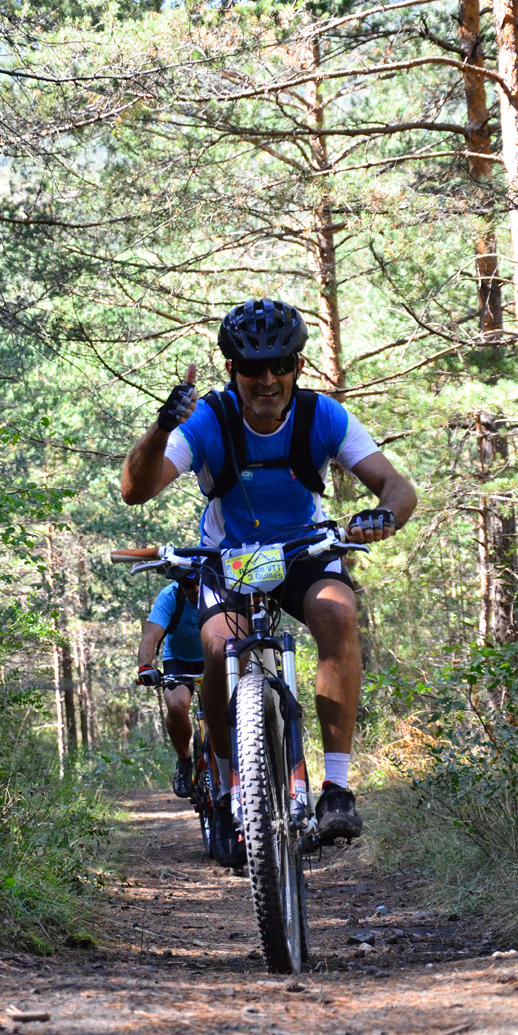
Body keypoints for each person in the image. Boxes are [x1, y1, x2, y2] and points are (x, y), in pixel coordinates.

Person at [121, 298, 417, 867]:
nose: (267, 379)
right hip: (228, 556)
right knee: (216, 647)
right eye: (252, 367)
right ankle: (237, 789)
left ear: (298, 367)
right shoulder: (209, 417)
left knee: (337, 611)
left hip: (303, 550)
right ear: (230, 369)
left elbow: (398, 488)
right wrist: (163, 426)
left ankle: (335, 789)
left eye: (280, 364)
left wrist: (386, 516)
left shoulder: (321, 416)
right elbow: (137, 489)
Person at [136, 571, 204, 799]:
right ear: (179, 585)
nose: (195, 590)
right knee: (176, 707)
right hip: (179, 660)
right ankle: (185, 761)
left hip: (216, 658)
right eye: (188, 585)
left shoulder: (220, 593)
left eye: (199, 584)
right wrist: (145, 666)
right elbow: (151, 637)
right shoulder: (170, 597)